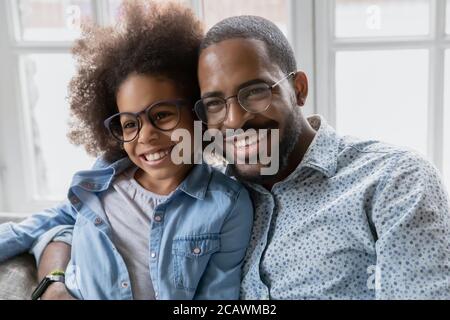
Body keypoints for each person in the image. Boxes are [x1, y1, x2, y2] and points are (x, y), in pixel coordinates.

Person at [33, 15, 450, 300]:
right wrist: (53, 282)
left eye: (255, 92)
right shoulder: (203, 188)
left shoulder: (393, 179)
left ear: (299, 89)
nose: (234, 121)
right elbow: (74, 221)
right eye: (214, 103)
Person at [0, 1, 253, 300]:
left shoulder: (228, 205)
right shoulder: (101, 179)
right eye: (129, 124)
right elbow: (42, 225)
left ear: (199, 111)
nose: (146, 135)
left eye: (162, 115)